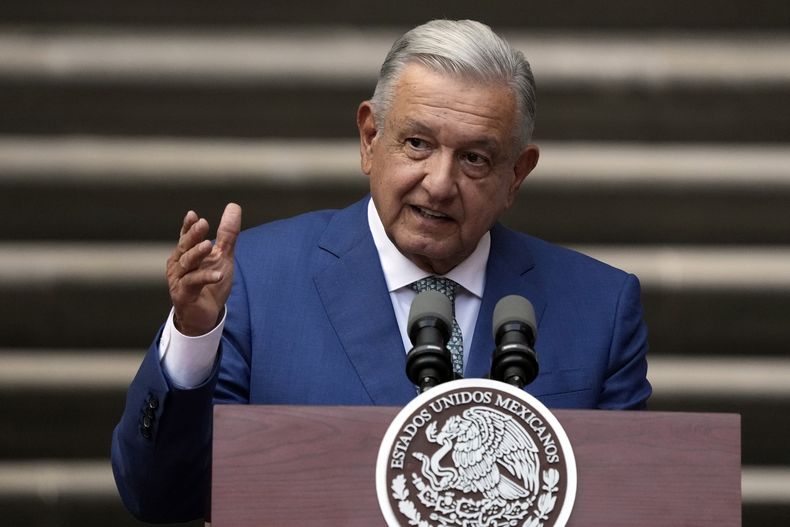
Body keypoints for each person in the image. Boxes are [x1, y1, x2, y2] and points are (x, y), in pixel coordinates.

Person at [112, 19, 651, 522]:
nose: (439, 182)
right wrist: (193, 337)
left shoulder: (600, 308)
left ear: (517, 174)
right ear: (370, 138)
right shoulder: (257, 279)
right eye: (417, 143)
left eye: (475, 159)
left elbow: (634, 504)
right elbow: (160, 496)